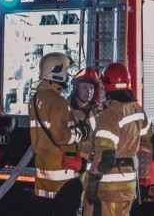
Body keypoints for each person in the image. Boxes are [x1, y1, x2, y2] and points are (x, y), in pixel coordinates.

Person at [85, 63, 154, 216]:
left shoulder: (110, 115)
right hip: (129, 184)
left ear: (107, 85)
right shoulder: (136, 108)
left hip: (112, 187)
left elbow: (105, 158)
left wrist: (93, 183)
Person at [29, 52, 90, 215]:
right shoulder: (58, 101)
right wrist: (81, 133)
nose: (68, 76)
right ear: (57, 71)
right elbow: (62, 136)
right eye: (67, 72)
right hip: (62, 176)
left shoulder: (35, 99)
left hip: (43, 174)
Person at [69, 68, 102, 216]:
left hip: (94, 169)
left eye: (91, 87)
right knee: (73, 205)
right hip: (73, 169)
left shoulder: (98, 110)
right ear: (76, 86)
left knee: (91, 206)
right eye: (84, 87)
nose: (88, 91)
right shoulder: (65, 109)